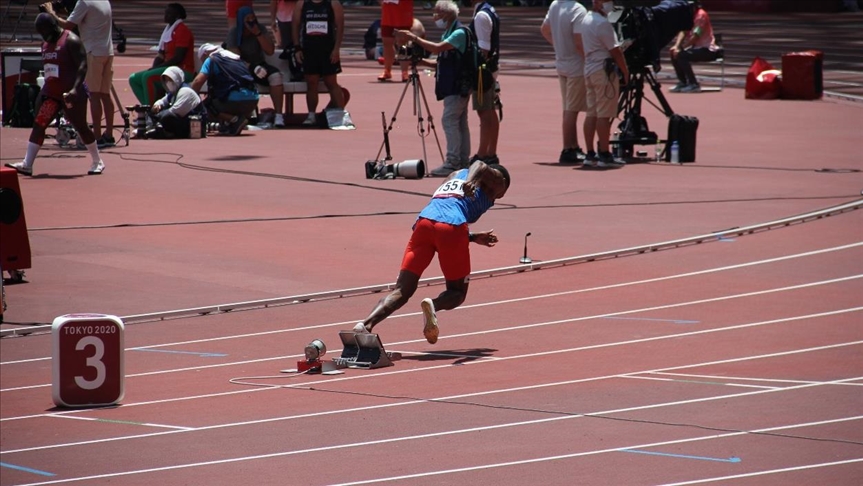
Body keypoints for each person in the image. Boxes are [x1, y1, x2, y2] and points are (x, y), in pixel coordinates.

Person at [353, 161, 511, 344]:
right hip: (452, 226)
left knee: (403, 289)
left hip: (425, 222)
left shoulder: (455, 174)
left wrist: (472, 237)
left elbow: (444, 211)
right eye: (498, 195)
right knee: (457, 292)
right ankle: (433, 306)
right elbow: (480, 164)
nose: (494, 198)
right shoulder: (496, 179)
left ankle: (365, 325)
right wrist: (470, 181)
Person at [5, 14, 105, 176]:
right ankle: (27, 164)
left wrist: (74, 89)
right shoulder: (45, 43)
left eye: (44, 31)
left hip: (71, 94)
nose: (43, 35)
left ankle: (97, 161)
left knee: (81, 127)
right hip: (51, 93)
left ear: (53, 26)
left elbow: (82, 66)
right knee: (39, 124)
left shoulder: (71, 40)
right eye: (40, 33)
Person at [395, 1, 471, 177]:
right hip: (455, 84)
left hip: (458, 85)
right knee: (459, 122)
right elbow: (442, 61)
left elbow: (437, 49)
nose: (435, 17)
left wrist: (414, 38)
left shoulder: (459, 33)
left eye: (437, 13)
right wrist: (420, 62)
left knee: (450, 120)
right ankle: (462, 161)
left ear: (447, 14)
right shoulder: (450, 32)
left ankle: (453, 162)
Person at [43, 0, 116, 149]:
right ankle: (108, 134)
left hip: (92, 52)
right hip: (107, 51)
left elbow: (68, 26)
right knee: (105, 95)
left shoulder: (84, 2)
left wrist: (51, 13)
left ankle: (96, 137)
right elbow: (85, 20)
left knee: (94, 95)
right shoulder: (104, 1)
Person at [574, 0, 628, 169]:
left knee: (592, 113)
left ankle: (590, 154)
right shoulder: (602, 24)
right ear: (596, 3)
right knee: (604, 114)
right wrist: (625, 72)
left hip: (590, 70)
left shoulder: (587, 19)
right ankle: (604, 154)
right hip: (603, 72)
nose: (609, 4)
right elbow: (615, 51)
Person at [541, 0, 588, 164]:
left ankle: (573, 145)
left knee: (568, 107)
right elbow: (578, 41)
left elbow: (544, 29)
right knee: (572, 109)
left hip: (562, 62)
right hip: (576, 64)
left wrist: (559, 46)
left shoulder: (555, 5)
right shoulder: (578, 10)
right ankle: (568, 148)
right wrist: (589, 59)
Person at [227, 6, 286, 128]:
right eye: (247, 19)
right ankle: (246, 115)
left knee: (276, 76)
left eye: (253, 18)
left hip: (260, 65)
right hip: (242, 68)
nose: (251, 21)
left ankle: (279, 116)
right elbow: (234, 57)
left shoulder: (261, 29)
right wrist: (253, 67)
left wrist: (257, 34)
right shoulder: (234, 33)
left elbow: (270, 50)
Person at [292, 0, 347, 126]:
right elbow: (295, 25)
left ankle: (341, 114)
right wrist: (297, 48)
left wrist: (336, 49)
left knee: (331, 82)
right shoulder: (302, 3)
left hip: (328, 50)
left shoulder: (333, 3)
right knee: (311, 83)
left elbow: (340, 26)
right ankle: (311, 115)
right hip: (309, 50)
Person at [128, 3, 195, 107]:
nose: (165, 15)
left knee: (148, 77)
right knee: (133, 79)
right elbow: (161, 55)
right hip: (169, 69)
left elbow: (178, 58)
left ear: (177, 16)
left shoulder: (182, 30)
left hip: (183, 70)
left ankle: (150, 113)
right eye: (165, 13)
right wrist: (154, 67)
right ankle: (150, 108)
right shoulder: (168, 31)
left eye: (169, 13)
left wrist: (158, 68)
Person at [191, 44, 259, 136]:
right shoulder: (237, 59)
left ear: (205, 54)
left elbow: (197, 81)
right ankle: (232, 123)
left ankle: (235, 120)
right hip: (253, 102)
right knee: (221, 96)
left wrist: (191, 98)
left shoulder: (212, 59)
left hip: (234, 101)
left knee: (204, 106)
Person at [466, 1, 501, 166]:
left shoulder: (481, 15)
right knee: (490, 111)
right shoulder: (487, 10)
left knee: (484, 112)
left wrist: (476, 68)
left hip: (483, 71)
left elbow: (483, 48)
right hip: (490, 68)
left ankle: (482, 154)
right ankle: (490, 152)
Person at [669, 0, 720, 93]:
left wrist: (681, 48)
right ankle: (683, 82)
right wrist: (676, 46)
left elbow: (696, 36)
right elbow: (683, 31)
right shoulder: (687, 15)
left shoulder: (701, 15)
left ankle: (693, 84)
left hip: (708, 50)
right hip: (695, 48)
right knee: (673, 52)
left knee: (681, 55)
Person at [149, 66, 204, 139]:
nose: (168, 83)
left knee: (167, 117)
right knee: (154, 112)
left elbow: (174, 111)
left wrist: (156, 116)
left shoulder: (185, 92)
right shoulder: (174, 93)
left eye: (170, 80)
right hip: (184, 122)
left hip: (194, 127)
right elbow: (163, 101)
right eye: (166, 80)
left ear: (177, 79)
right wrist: (157, 105)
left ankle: (164, 131)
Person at [378, 0, 413, 82]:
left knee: (403, 42)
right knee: (387, 42)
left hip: (403, 12)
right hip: (387, 14)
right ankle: (387, 70)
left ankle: (405, 72)